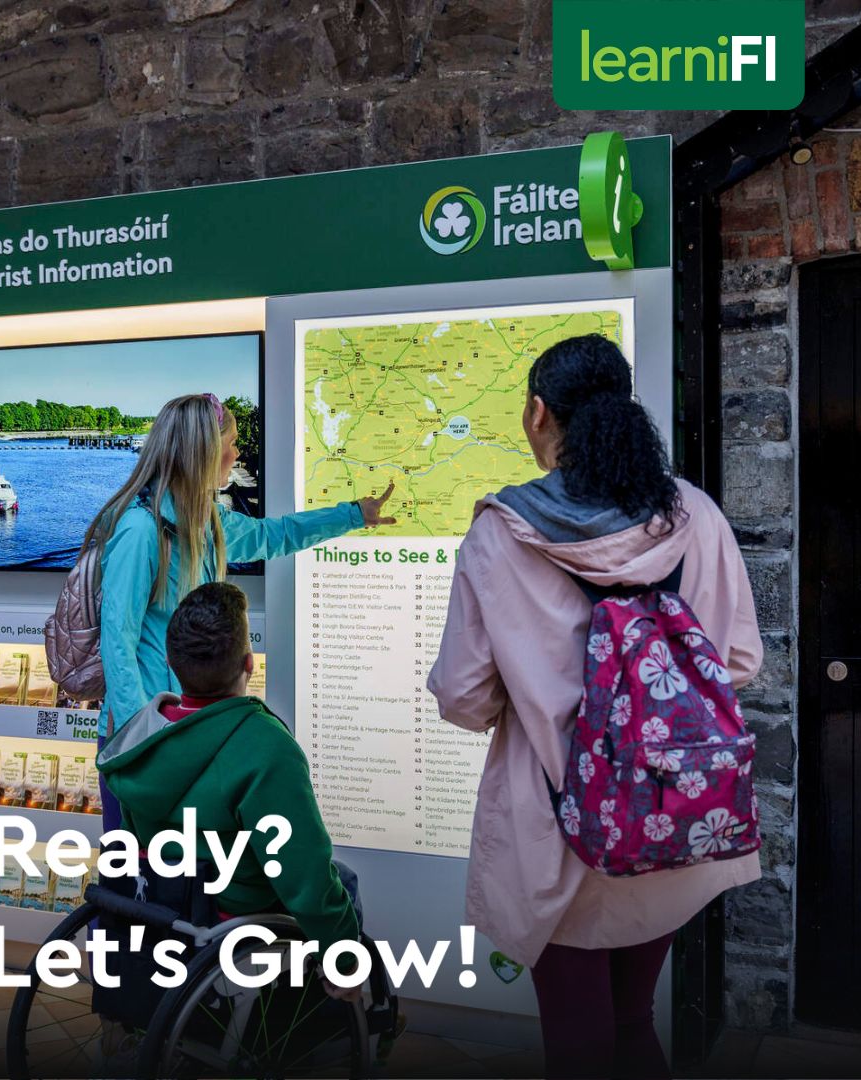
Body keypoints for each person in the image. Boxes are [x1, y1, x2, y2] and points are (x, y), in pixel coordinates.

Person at [426, 334, 762, 1080]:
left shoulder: (498, 533)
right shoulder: (695, 515)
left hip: (557, 826)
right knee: (633, 1020)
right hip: (673, 816)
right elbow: (738, 662)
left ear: (539, 414)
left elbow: (464, 696)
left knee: (576, 1041)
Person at [84, 392, 395, 828]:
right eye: (230, 443)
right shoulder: (140, 532)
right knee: (142, 881)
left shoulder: (206, 520)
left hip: (190, 729)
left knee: (189, 880)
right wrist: (143, 746)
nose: (237, 452)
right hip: (148, 742)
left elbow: (276, 535)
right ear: (203, 452)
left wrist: (353, 515)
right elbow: (116, 642)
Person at [97, 581, 363, 999]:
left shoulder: (143, 735)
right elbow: (300, 869)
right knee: (340, 884)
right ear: (249, 663)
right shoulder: (263, 744)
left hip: (164, 907)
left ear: (170, 660)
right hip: (233, 914)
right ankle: (336, 1006)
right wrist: (345, 959)